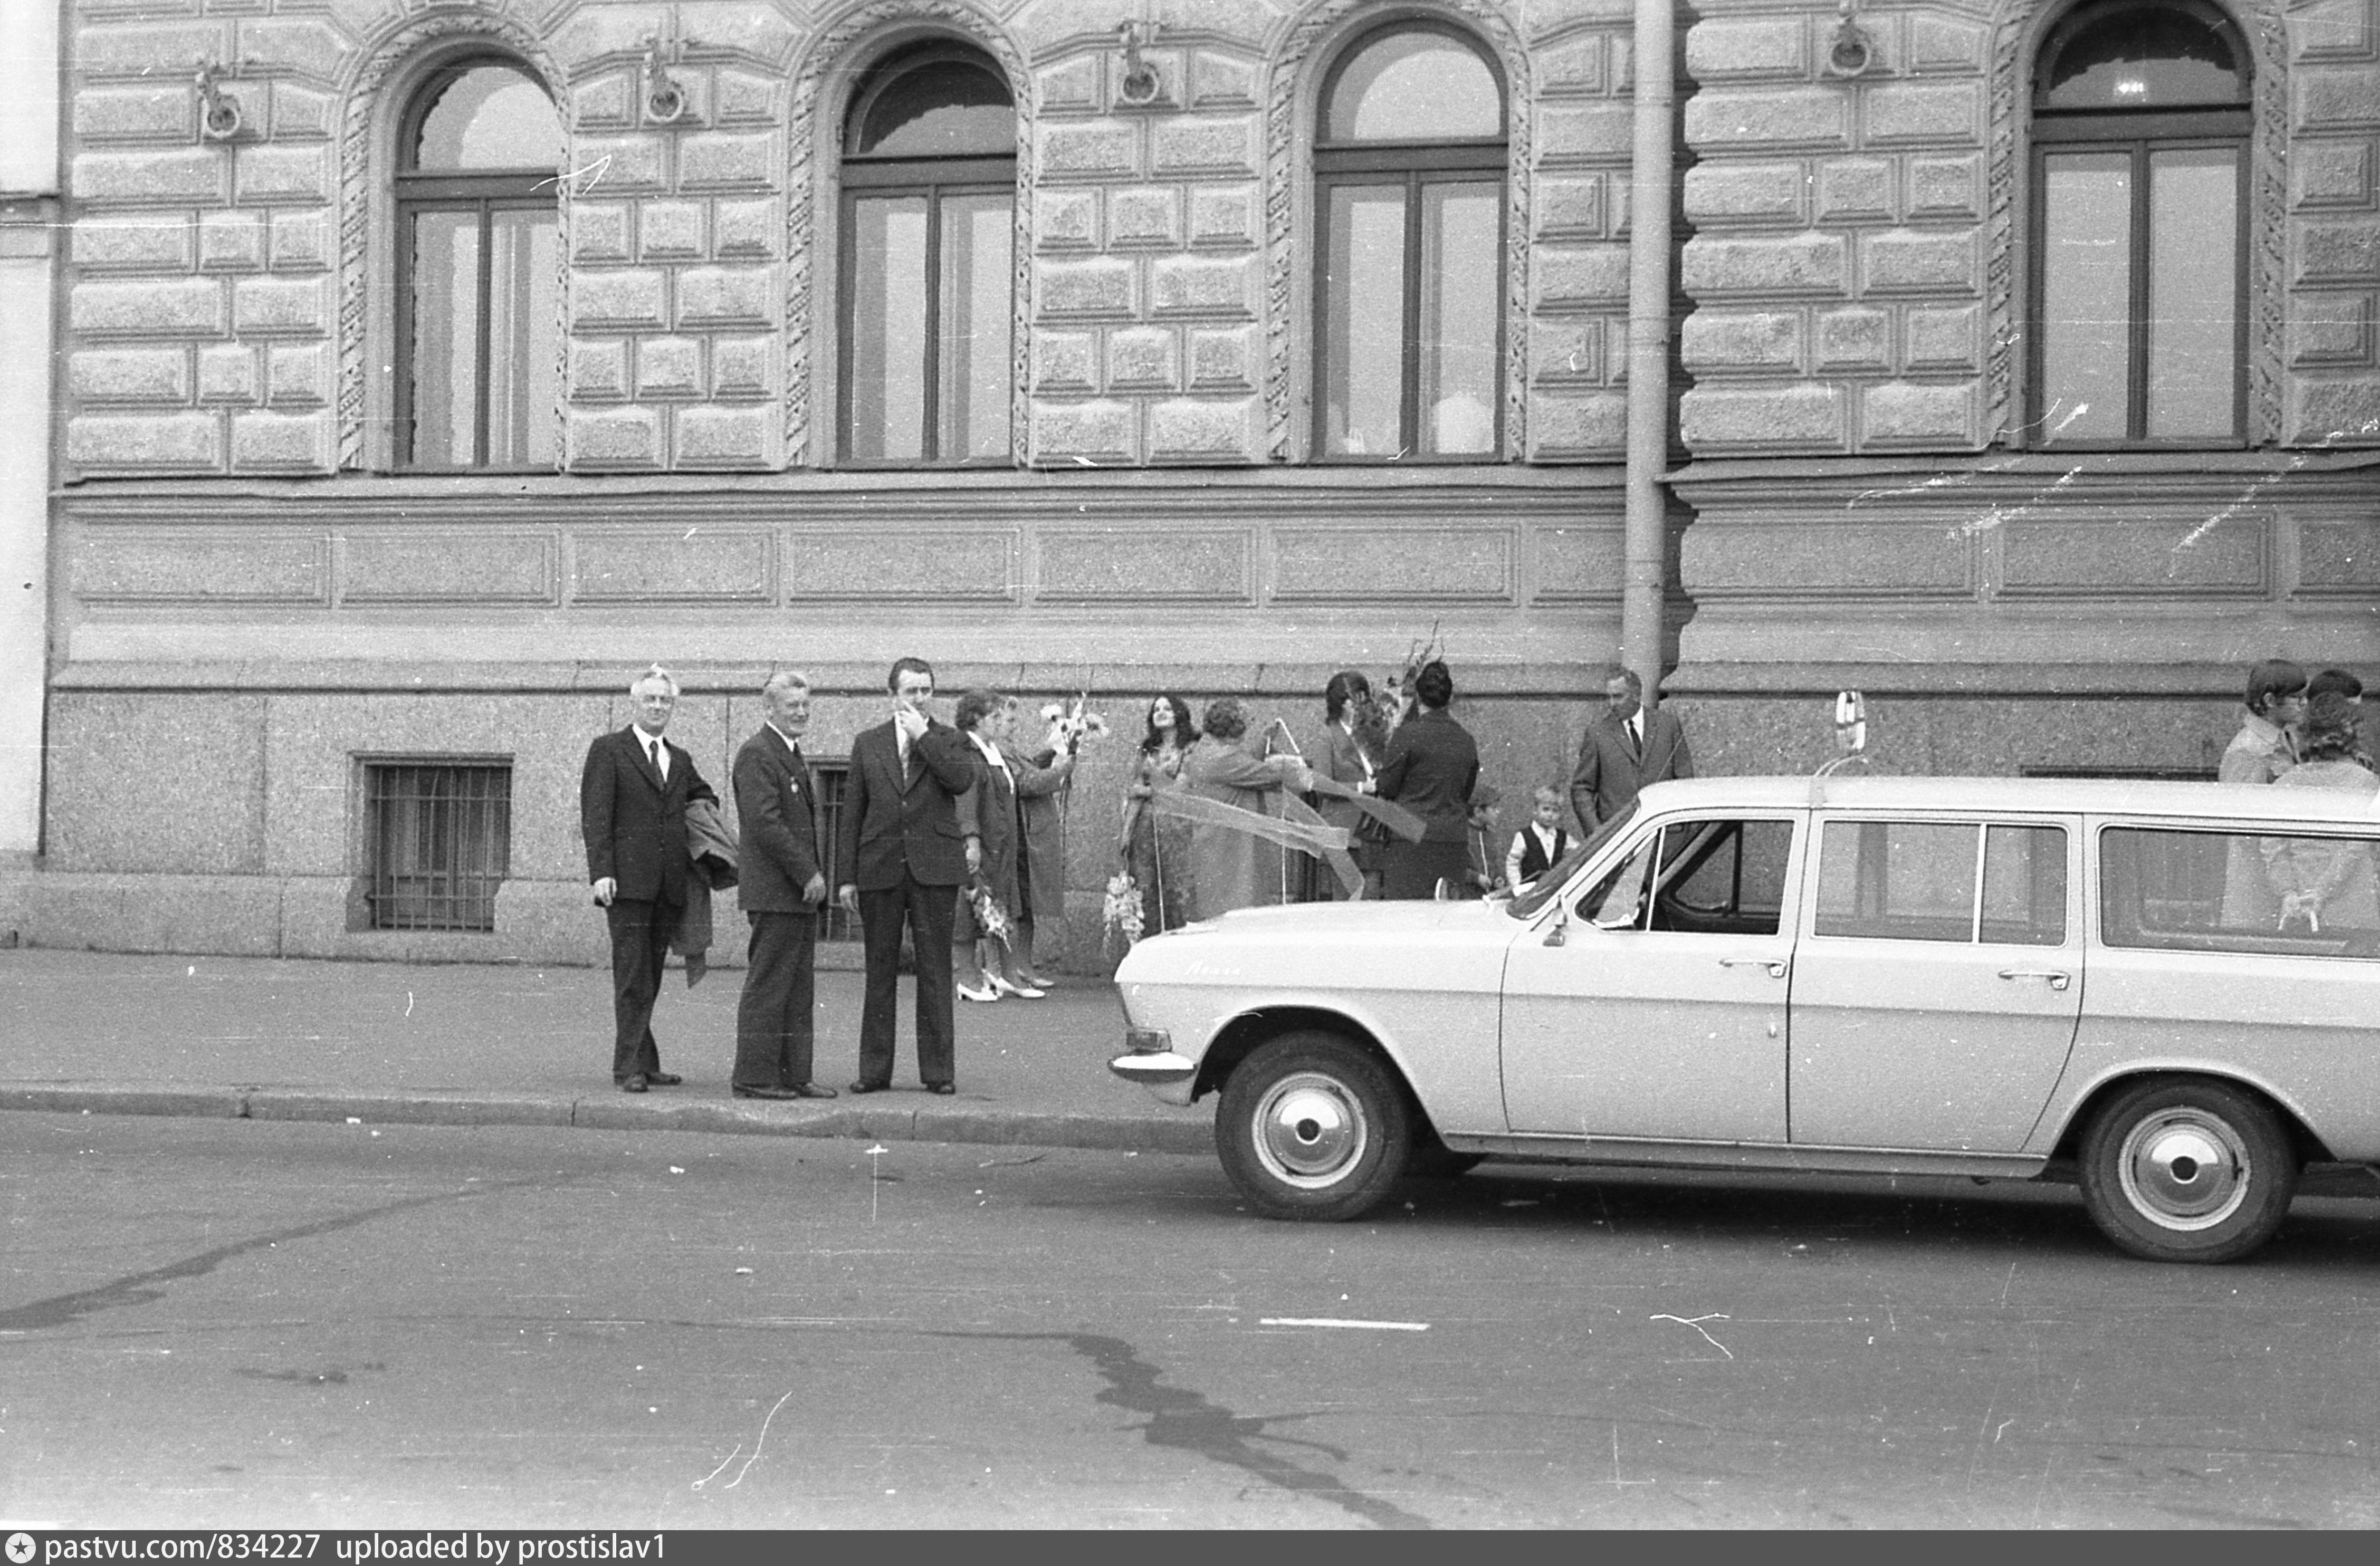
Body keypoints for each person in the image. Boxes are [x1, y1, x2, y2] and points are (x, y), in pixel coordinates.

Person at [836, 656, 977, 1096]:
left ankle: (938, 1072)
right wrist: (846, 877)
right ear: (892, 694)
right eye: (911, 691)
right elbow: (852, 813)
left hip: (934, 867)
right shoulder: (869, 743)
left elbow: (959, 780)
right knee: (879, 970)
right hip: (880, 866)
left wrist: (923, 738)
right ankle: (874, 1070)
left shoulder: (949, 739)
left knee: (935, 969)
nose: (919, 698)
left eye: (926, 690)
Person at [580, 665, 717, 1093]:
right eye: (651, 699)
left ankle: (646, 1060)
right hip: (626, 885)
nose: (658, 707)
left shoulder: (679, 759)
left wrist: (697, 814)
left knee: (651, 976)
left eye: (665, 700)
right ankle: (628, 1068)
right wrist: (601, 872)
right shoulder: (609, 750)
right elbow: (596, 816)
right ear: (634, 704)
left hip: (667, 885)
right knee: (632, 975)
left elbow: (703, 794)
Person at [727, 671, 836, 1101]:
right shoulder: (757, 753)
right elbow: (765, 824)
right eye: (792, 705)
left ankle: (793, 1073)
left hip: (794, 893)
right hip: (778, 891)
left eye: (805, 704)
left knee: (797, 987)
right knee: (771, 984)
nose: (801, 712)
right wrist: (807, 872)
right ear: (768, 708)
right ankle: (754, 1076)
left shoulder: (786, 751)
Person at [1178, 697, 1314, 921]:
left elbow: (1244, 766)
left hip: (1214, 846)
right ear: (1235, 728)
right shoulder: (1225, 756)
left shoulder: (1205, 749)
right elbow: (1265, 775)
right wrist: (1302, 770)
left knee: (1216, 911)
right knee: (1239, 912)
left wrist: (1265, 740)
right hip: (1232, 851)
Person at [2261, 691, 2379, 933]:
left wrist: (2289, 893)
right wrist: (2321, 892)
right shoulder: (2367, 784)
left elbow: (2272, 847)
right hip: (2351, 904)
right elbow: (2357, 847)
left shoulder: (2284, 784)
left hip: (2293, 910)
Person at [1375, 659, 1481, 899]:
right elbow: (1466, 792)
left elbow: (1387, 787)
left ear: (1418, 699)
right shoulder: (1466, 740)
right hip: (1453, 840)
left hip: (1410, 838)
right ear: (1450, 699)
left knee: (1407, 917)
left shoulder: (1407, 735)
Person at [950, 688, 1023, 1004]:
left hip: (1001, 845)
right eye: (994, 717)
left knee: (999, 906)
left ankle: (1005, 975)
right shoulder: (967, 752)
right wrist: (972, 840)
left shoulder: (992, 751)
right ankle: (967, 977)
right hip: (982, 844)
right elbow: (966, 800)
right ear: (976, 720)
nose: (1000, 722)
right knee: (969, 910)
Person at [1007, 696, 1078, 988]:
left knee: (1027, 904)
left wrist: (1050, 751)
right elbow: (1026, 783)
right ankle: (1015, 965)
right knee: (1020, 904)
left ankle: (1023, 964)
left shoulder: (1009, 748)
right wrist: (1061, 769)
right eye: (1008, 720)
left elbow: (1029, 771)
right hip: (1019, 832)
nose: (1011, 725)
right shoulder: (997, 749)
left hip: (1027, 831)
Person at [1569, 667, 1693, 834]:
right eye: (1610, 697)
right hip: (1617, 836)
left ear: (1636, 695)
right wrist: (1597, 832)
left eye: (1618, 697)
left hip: (1662, 833)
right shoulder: (1598, 733)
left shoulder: (1667, 725)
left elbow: (1685, 780)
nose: (1612, 704)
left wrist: (1682, 830)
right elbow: (1582, 788)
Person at [1119, 694, 1196, 934]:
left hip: (1176, 827)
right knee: (1145, 887)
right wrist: (1126, 832)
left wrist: (1147, 790)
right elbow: (1131, 788)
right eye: (1156, 710)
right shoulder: (1146, 749)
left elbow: (1182, 788)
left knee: (1177, 888)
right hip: (1145, 827)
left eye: (1167, 709)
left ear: (1179, 714)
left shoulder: (1191, 748)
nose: (1161, 713)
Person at [1316, 671, 1382, 900]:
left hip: (1371, 831)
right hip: (1344, 832)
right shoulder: (1328, 737)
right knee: (1346, 903)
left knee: (1371, 899)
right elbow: (1321, 785)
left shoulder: (1371, 734)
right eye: (1357, 700)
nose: (1362, 706)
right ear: (1342, 704)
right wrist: (1361, 788)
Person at [2219, 658, 2307, 785]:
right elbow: (2241, 803)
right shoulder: (2247, 752)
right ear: (2270, 701)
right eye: (2297, 697)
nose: (2304, 703)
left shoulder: (2286, 736)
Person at [1505, 784, 1572, 891]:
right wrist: (1517, 886)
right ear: (1535, 810)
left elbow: (1578, 853)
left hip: (1555, 892)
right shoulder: (1524, 836)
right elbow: (1513, 862)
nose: (1550, 815)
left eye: (1555, 811)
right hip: (1529, 892)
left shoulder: (1563, 837)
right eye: (1546, 810)